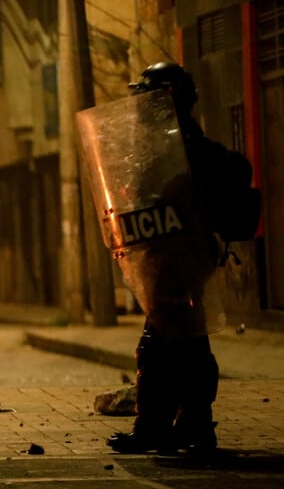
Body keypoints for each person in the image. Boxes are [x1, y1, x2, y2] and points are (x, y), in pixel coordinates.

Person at [103, 62, 260, 455]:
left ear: (166, 100)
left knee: (169, 344)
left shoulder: (185, 145)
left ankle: (175, 426)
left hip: (183, 261)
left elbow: (232, 171)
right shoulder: (165, 143)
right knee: (182, 342)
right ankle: (185, 425)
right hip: (167, 261)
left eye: (147, 98)